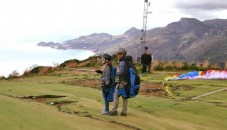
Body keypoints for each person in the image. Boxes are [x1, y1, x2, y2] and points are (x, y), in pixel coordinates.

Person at [109, 48, 129, 116]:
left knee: (116, 95)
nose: (118, 55)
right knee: (125, 97)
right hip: (127, 82)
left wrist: (114, 72)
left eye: (120, 54)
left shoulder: (122, 62)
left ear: (124, 54)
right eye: (117, 53)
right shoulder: (127, 61)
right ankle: (124, 112)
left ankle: (114, 111)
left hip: (122, 82)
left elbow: (121, 73)